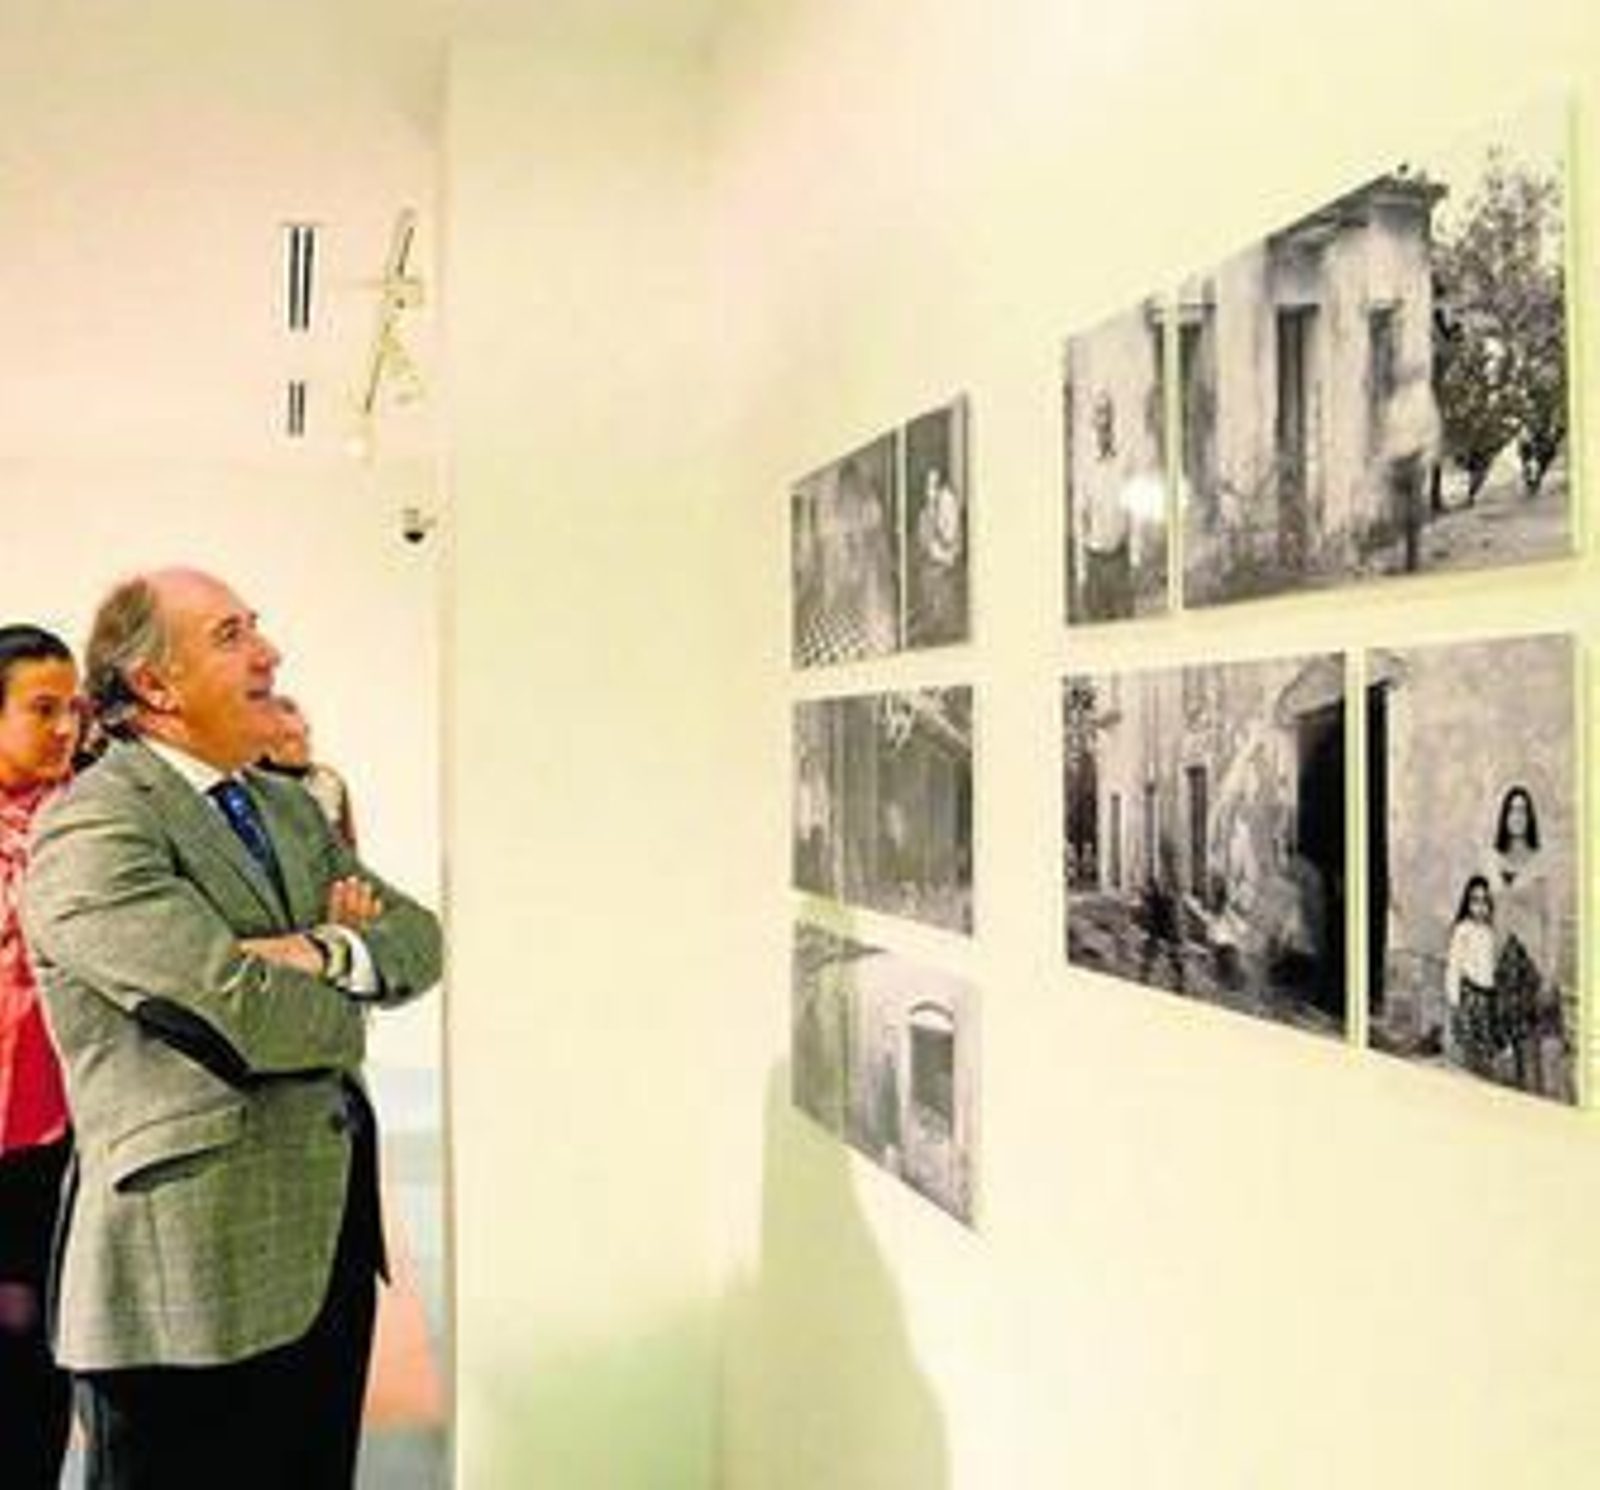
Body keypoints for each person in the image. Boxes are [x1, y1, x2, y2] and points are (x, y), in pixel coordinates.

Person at [22, 568, 443, 1490]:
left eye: (257, 627)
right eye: (230, 634)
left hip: (324, 1248)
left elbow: (418, 939)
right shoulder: (94, 828)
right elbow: (241, 1014)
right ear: (156, 686)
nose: (269, 652)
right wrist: (331, 983)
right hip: (186, 1273)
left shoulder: (287, 803)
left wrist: (319, 950)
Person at [0, 624, 81, 1487]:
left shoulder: (83, 819)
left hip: (54, 1142)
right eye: (42, 709)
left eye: (74, 710)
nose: (65, 728)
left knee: (36, 1357)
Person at [1487, 784, 1552, 1090]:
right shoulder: (1491, 858)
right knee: (1502, 1056)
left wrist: (1548, 975)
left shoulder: (1541, 862)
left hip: (1530, 964)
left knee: (1531, 1052)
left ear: (1530, 817)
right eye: (1512, 809)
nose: (1518, 815)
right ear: (1505, 816)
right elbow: (1485, 915)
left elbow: (1550, 920)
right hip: (1501, 963)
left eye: (1523, 809)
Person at [260, 693, 358, 849]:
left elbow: (348, 849)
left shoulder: (329, 781)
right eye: (290, 738)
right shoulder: (248, 788)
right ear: (265, 743)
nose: (305, 744)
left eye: (306, 733)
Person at [1444, 874, 1499, 1078]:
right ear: (1467, 903)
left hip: (1486, 997)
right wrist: (1454, 1000)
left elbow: (1491, 965)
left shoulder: (1490, 931)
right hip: (1469, 995)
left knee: (1486, 1050)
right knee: (1468, 1049)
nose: (1480, 906)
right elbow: (1454, 965)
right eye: (1475, 901)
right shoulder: (1462, 930)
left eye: (1484, 901)